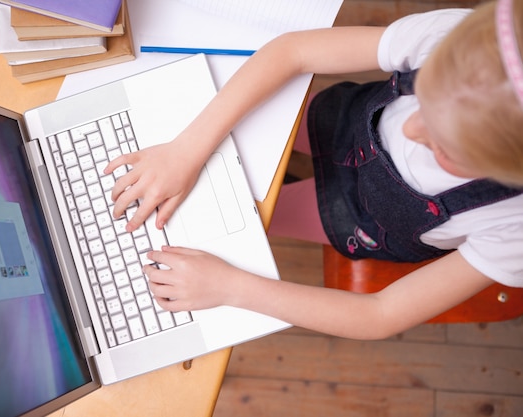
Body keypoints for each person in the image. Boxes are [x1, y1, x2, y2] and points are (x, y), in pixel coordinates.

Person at [104, 0, 523, 339]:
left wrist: (232, 287)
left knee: (243, 211)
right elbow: (294, 51)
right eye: (422, 96)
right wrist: (186, 149)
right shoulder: (465, 43)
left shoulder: (514, 227)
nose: (412, 128)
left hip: (361, 221)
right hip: (341, 121)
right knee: (222, 163)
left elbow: (381, 314)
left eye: (441, 144)